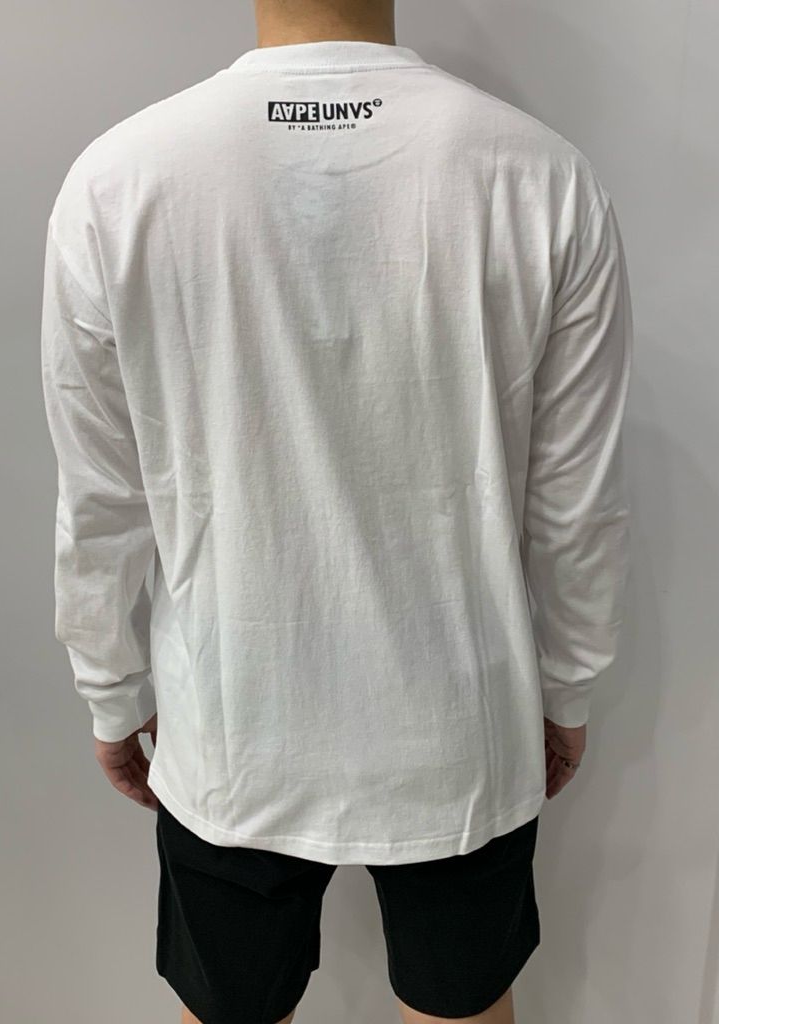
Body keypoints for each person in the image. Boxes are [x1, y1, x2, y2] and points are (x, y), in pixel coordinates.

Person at [40, 1, 633, 1021]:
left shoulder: (117, 182)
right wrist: (567, 686)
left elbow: (100, 494)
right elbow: (576, 501)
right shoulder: (541, 176)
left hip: (230, 727)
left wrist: (111, 689)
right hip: (462, 728)